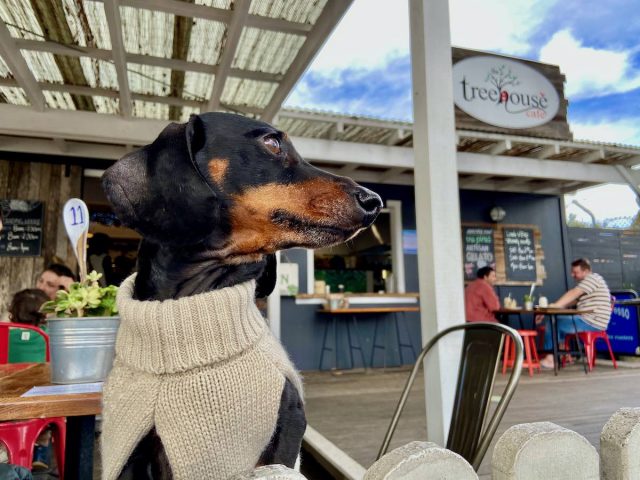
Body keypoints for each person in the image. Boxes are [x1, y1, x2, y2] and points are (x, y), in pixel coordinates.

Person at [7, 288, 52, 471]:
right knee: (48, 414)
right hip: (42, 404)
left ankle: (16, 455)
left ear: (12, 313)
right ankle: (40, 452)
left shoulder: (4, 334)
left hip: (7, 402)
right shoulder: (48, 335)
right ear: (44, 315)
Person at [537, 258, 611, 369]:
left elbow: (573, 293)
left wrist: (553, 306)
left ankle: (550, 359)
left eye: (575, 272)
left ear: (585, 271)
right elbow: (569, 301)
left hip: (592, 322)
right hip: (591, 320)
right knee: (558, 321)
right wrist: (549, 309)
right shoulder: (589, 285)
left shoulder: (592, 279)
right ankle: (562, 357)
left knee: (553, 322)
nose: (572, 275)